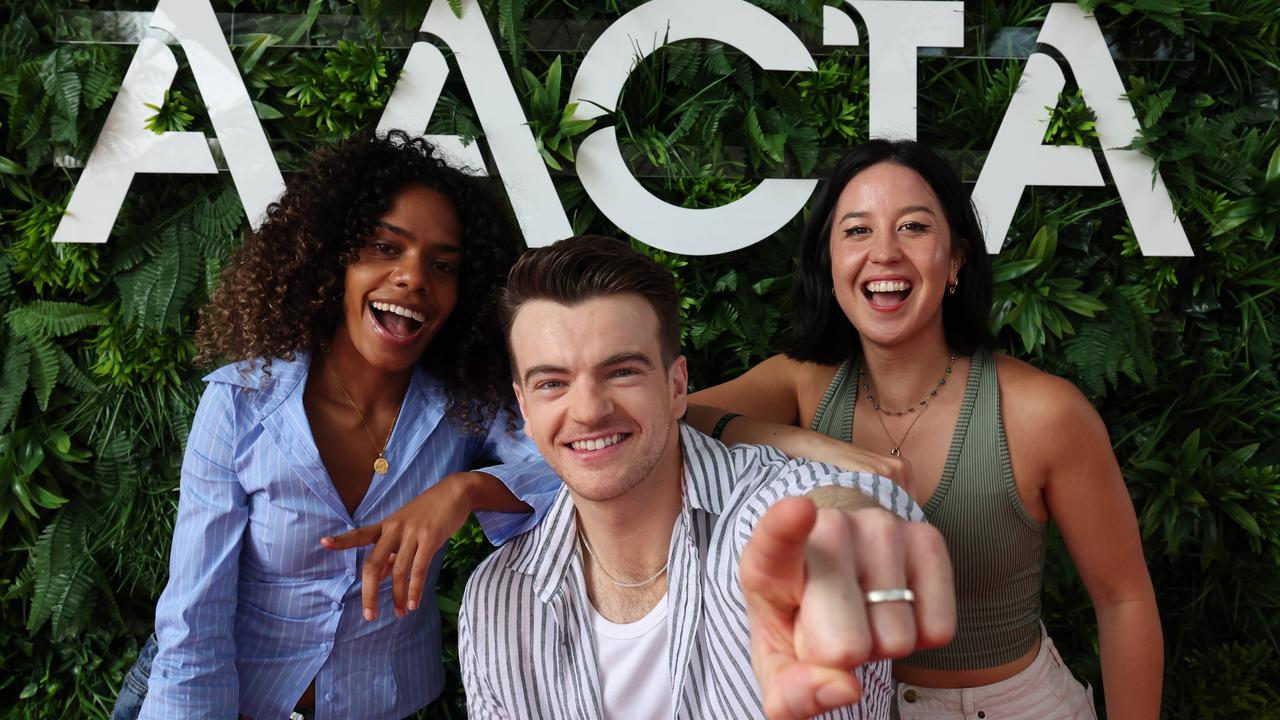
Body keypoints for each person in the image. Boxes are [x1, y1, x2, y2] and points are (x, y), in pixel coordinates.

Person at [688, 139, 1162, 718]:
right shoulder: (803, 385)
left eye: (912, 227)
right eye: (857, 231)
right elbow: (670, 415)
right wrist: (805, 441)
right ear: (829, 262)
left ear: (956, 259)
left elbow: (1124, 600)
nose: (884, 253)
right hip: (854, 706)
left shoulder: (1044, 411)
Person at [114, 131, 559, 720]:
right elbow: (195, 623)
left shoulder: (464, 407)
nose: (413, 277)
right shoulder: (241, 404)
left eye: (443, 264)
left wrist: (468, 488)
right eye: (384, 246)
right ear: (332, 260)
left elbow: (577, 466)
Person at [458, 236, 956, 720]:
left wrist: (845, 540)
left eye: (622, 372)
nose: (587, 410)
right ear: (524, 406)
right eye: (552, 383)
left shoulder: (757, 514)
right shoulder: (496, 601)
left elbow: (833, 504)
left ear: (677, 387)